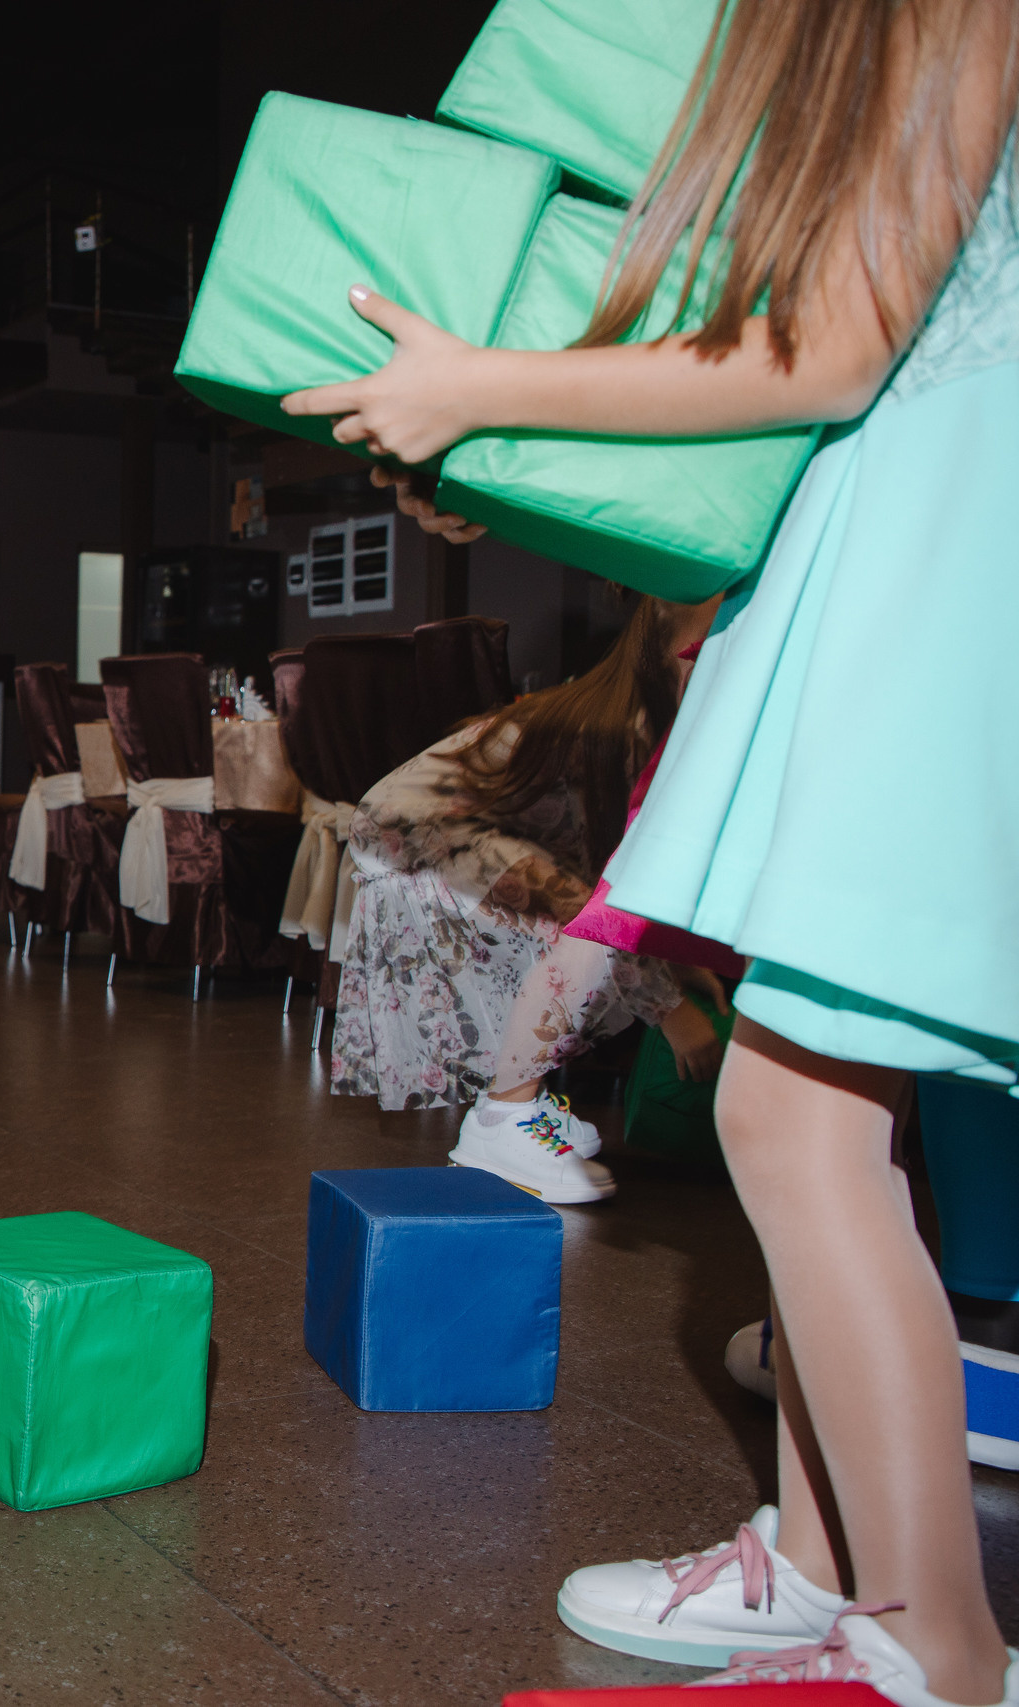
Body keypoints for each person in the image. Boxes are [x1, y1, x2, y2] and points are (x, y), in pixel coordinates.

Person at [284, 0, 1018, 1698]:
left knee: (794, 1113)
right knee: (825, 1106)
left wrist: (482, 384)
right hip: (895, 532)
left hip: (935, 558)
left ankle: (935, 1639)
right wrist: (506, 441)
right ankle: (824, 1561)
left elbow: (829, 347)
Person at [332, 595, 729, 1201]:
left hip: (438, 833)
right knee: (586, 928)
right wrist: (673, 1011)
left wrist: (677, 967)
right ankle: (504, 1118)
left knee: (588, 930)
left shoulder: (625, 720)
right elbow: (603, 905)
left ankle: (519, 1105)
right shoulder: (617, 731)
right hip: (417, 832)